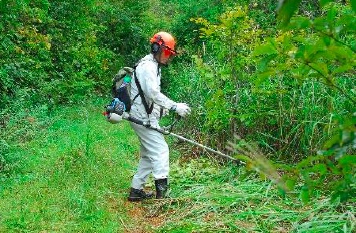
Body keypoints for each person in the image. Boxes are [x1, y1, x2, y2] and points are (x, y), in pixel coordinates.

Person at [127, 31, 191, 201]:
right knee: (161, 151)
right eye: (167, 53)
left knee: (149, 155)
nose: (168, 57)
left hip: (145, 115)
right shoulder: (147, 67)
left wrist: (163, 111)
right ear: (157, 48)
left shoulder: (153, 66)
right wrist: (174, 106)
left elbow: (150, 97)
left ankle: (135, 190)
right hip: (141, 117)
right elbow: (152, 93)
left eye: (170, 54)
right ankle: (162, 196)